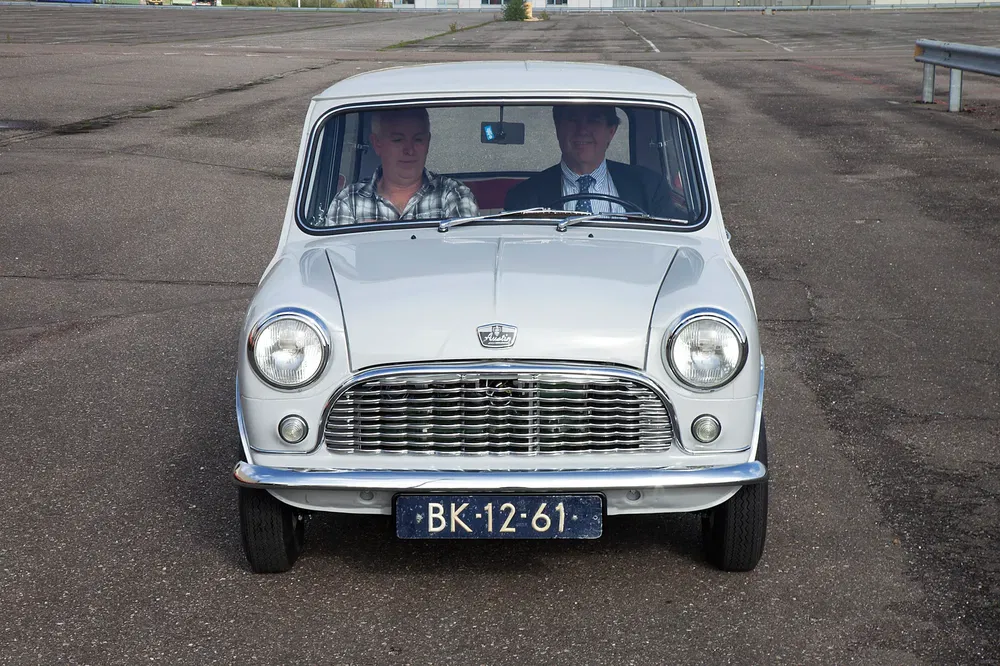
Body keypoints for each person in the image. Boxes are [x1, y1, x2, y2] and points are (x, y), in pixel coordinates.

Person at [503, 104, 682, 219]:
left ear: (611, 132)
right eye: (572, 120)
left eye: (593, 120)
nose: (582, 130)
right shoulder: (523, 197)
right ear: (558, 128)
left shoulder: (650, 187)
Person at [323, 107, 478, 226]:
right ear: (377, 144)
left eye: (418, 140)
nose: (409, 150)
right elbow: (338, 256)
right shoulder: (349, 201)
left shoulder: (453, 194)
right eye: (398, 140)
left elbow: (465, 252)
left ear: (428, 143)